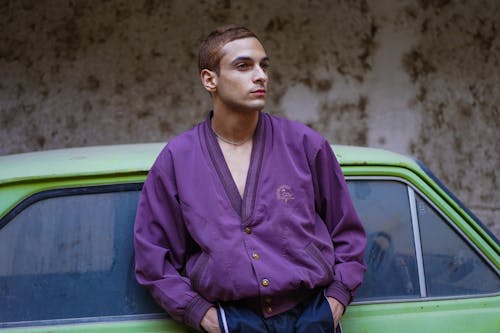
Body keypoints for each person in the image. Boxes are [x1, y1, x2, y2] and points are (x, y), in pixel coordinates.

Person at [134, 24, 366, 333]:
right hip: (232, 320)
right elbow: (154, 259)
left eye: (263, 65)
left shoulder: (305, 145)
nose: (261, 76)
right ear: (209, 79)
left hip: (311, 315)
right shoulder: (178, 160)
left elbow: (347, 234)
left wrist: (335, 301)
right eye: (244, 66)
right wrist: (202, 315)